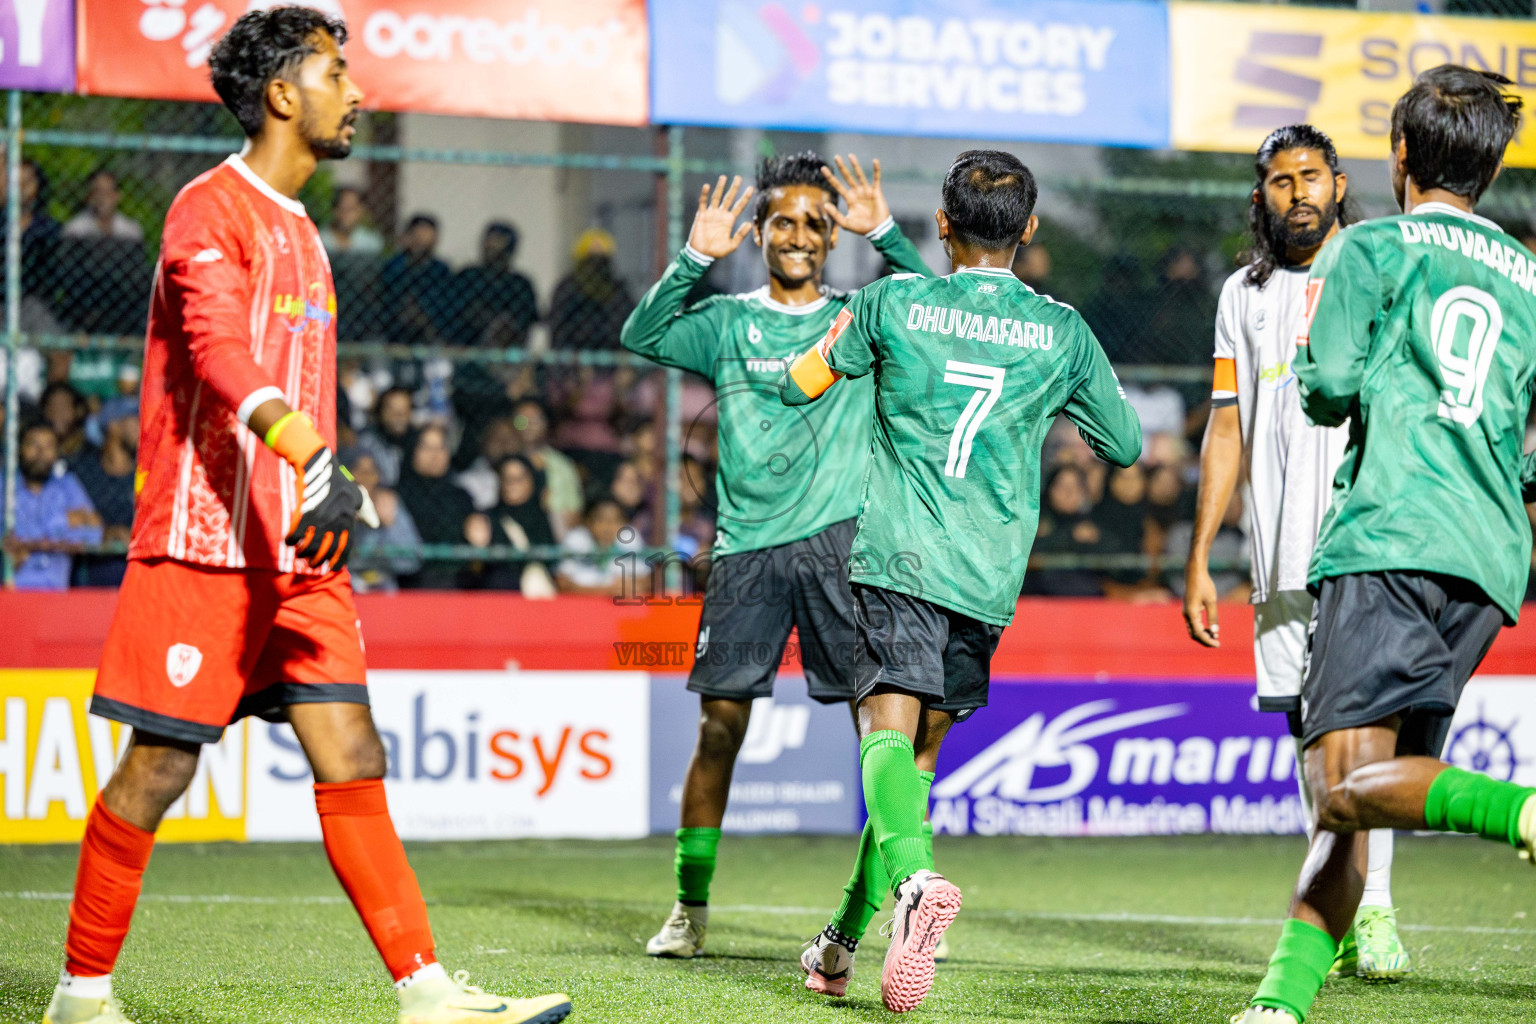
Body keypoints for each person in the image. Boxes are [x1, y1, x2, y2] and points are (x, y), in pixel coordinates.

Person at [39, 11, 570, 1024]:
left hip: (302, 549)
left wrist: (332, 479)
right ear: (284, 92)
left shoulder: (307, 230)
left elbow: (294, 384)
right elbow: (217, 353)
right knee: (159, 764)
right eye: (337, 71)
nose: (355, 91)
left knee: (353, 753)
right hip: (205, 544)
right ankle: (81, 991)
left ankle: (427, 993)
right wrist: (311, 455)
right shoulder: (209, 209)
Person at [781, 150, 1140, 1012]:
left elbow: (802, 383)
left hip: (900, 552)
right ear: (1031, 230)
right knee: (920, 764)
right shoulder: (1062, 331)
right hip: (987, 573)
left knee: (884, 737)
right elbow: (1124, 447)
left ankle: (911, 886)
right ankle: (839, 945)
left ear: (941, 225)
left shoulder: (891, 302)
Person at [1231, 66, 1536, 1024]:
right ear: (1489, 165)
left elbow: (1323, 386)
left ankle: (1524, 813)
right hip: (1490, 557)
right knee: (1366, 792)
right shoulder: (1529, 273)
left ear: (1400, 155)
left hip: (1392, 535)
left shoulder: (1371, 248)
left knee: (1341, 782)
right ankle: (1280, 1006)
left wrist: (1345, 384)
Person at [621, 151, 932, 960]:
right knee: (719, 730)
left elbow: (932, 308)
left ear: (834, 238)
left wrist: (891, 237)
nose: (800, 236)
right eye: (784, 221)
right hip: (747, 553)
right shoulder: (727, 323)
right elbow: (641, 333)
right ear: (758, 232)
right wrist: (695, 258)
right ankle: (689, 910)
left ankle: (876, 910)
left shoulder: (858, 316)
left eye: (817, 224)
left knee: (877, 730)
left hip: (841, 549)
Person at [1179, 123, 1414, 984]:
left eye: (1311, 176)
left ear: (1341, 183)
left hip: (1365, 541)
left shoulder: (1382, 266)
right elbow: (1227, 426)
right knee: (1306, 734)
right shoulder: (1243, 293)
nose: (1298, 192)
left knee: (1364, 730)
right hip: (1277, 557)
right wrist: (1203, 554)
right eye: (1281, 181)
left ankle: (1376, 905)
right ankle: (1343, 896)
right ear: (1260, 197)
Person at [2, 422, 102, 590]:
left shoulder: (68, 485)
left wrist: (31, 540)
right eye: (33, 445)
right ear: (19, 449)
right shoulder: (4, 486)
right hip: (11, 590)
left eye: (48, 447)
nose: (41, 453)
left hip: (55, 592)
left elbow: (95, 532)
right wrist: (66, 523)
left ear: (57, 453)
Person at [396, 424, 478, 589]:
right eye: (427, 447)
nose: (435, 455)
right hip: (411, 584)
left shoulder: (461, 496)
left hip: (459, 582)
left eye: (441, 448)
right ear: (413, 452)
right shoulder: (397, 496)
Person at [72, 396, 139, 587]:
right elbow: (67, 520)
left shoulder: (148, 471)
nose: (143, 426)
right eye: (135, 420)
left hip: (135, 572)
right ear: (113, 426)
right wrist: (103, 532)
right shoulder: (82, 470)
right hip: (88, 574)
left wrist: (133, 535)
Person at [452, 221, 538, 347]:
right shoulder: (469, 276)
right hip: (469, 346)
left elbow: (527, 320)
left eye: (498, 241)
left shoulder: (520, 284)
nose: (491, 246)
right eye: (489, 240)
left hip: (508, 351)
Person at [550, 228, 635, 349]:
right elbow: (559, 327)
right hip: (573, 355)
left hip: (611, 354)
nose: (596, 263)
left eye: (602, 257)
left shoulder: (617, 289)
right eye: (591, 257)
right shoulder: (568, 288)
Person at [381, 214, 453, 343]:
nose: (420, 239)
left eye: (426, 234)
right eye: (416, 233)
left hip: (431, 333)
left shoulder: (441, 270)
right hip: (394, 332)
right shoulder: (394, 265)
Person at [62, 169, 146, 242]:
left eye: (106, 193)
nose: (101, 198)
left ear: (117, 196)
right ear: (88, 197)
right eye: (97, 192)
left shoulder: (130, 231)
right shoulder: (75, 230)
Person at [319, 185, 383, 255]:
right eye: (343, 208)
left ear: (360, 212)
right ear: (335, 210)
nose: (347, 215)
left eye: (351, 209)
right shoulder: (320, 240)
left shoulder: (371, 242)